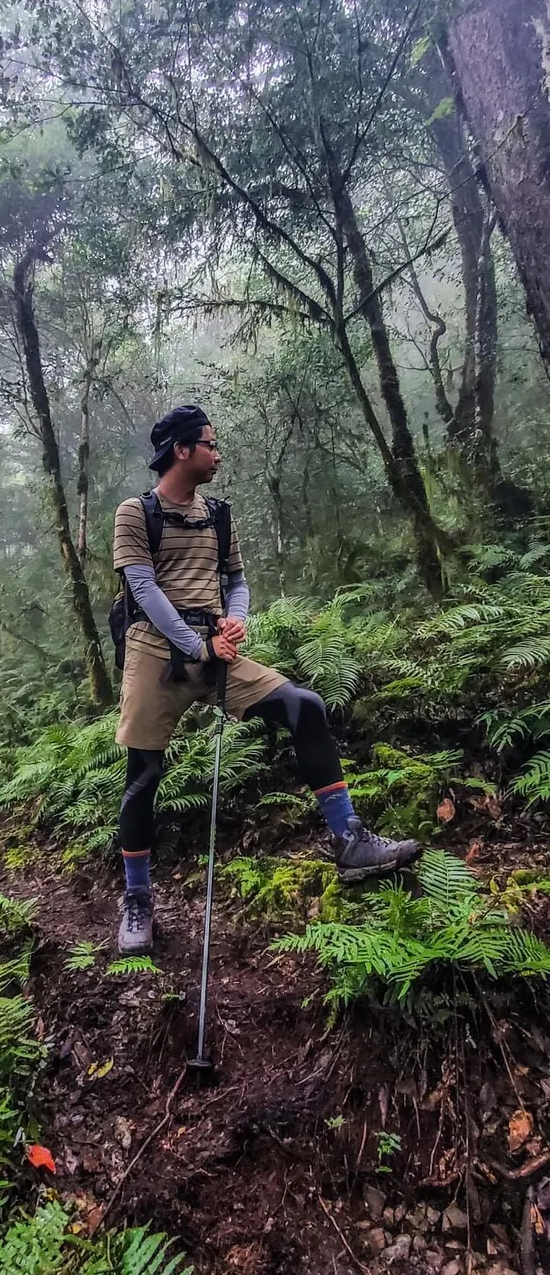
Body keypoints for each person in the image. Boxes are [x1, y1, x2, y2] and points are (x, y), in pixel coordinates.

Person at [112, 404, 418, 952]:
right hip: (156, 651)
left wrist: (235, 621)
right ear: (182, 450)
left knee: (305, 706)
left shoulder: (219, 514)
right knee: (144, 773)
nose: (217, 452)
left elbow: (237, 580)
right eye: (209, 443)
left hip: (217, 648)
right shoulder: (136, 513)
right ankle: (137, 899)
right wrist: (196, 642)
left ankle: (349, 840)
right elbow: (143, 589)